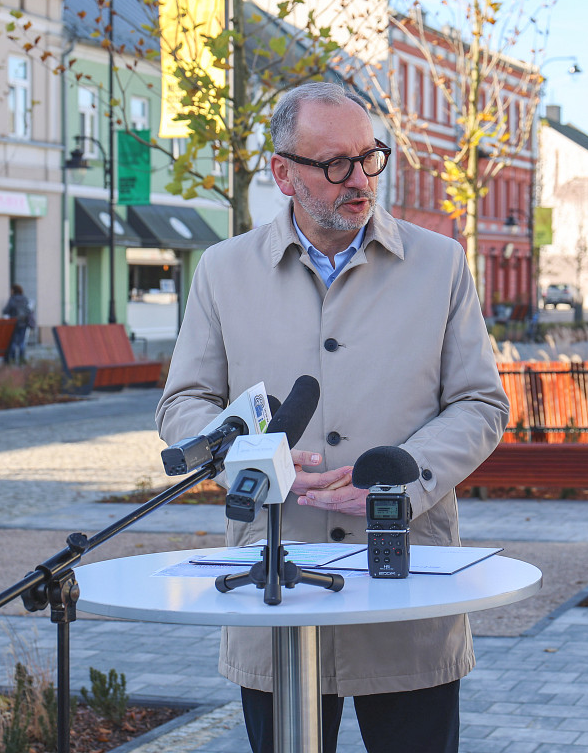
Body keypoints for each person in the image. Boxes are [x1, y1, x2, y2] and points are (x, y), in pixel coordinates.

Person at [156, 82, 509, 753]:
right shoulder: (222, 271)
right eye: (334, 164)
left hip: (406, 587)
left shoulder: (441, 264)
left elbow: (481, 402)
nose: (359, 179)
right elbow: (183, 404)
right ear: (282, 172)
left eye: (369, 157)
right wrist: (248, 463)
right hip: (275, 586)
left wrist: (401, 482)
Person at [3, 283, 34, 364]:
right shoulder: (25, 299)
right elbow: (28, 311)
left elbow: (6, 310)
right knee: (21, 342)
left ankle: (12, 359)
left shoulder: (12, 299)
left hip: (14, 324)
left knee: (13, 342)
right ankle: (21, 359)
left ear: (13, 290)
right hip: (23, 323)